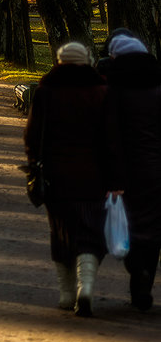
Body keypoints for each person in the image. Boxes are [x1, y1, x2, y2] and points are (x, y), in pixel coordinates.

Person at [24, 41, 121, 317]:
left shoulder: (45, 91)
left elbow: (32, 135)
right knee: (90, 232)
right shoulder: (102, 92)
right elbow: (112, 140)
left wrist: (34, 164)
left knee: (61, 230)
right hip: (94, 176)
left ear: (59, 62)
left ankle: (66, 294)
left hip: (56, 176)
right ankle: (86, 287)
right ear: (87, 61)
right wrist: (116, 180)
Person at [106, 34, 161, 311]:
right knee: (152, 229)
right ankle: (143, 286)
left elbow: (110, 135)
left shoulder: (114, 90)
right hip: (155, 169)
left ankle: (136, 270)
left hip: (125, 171)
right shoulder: (157, 89)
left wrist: (111, 174)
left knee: (128, 226)